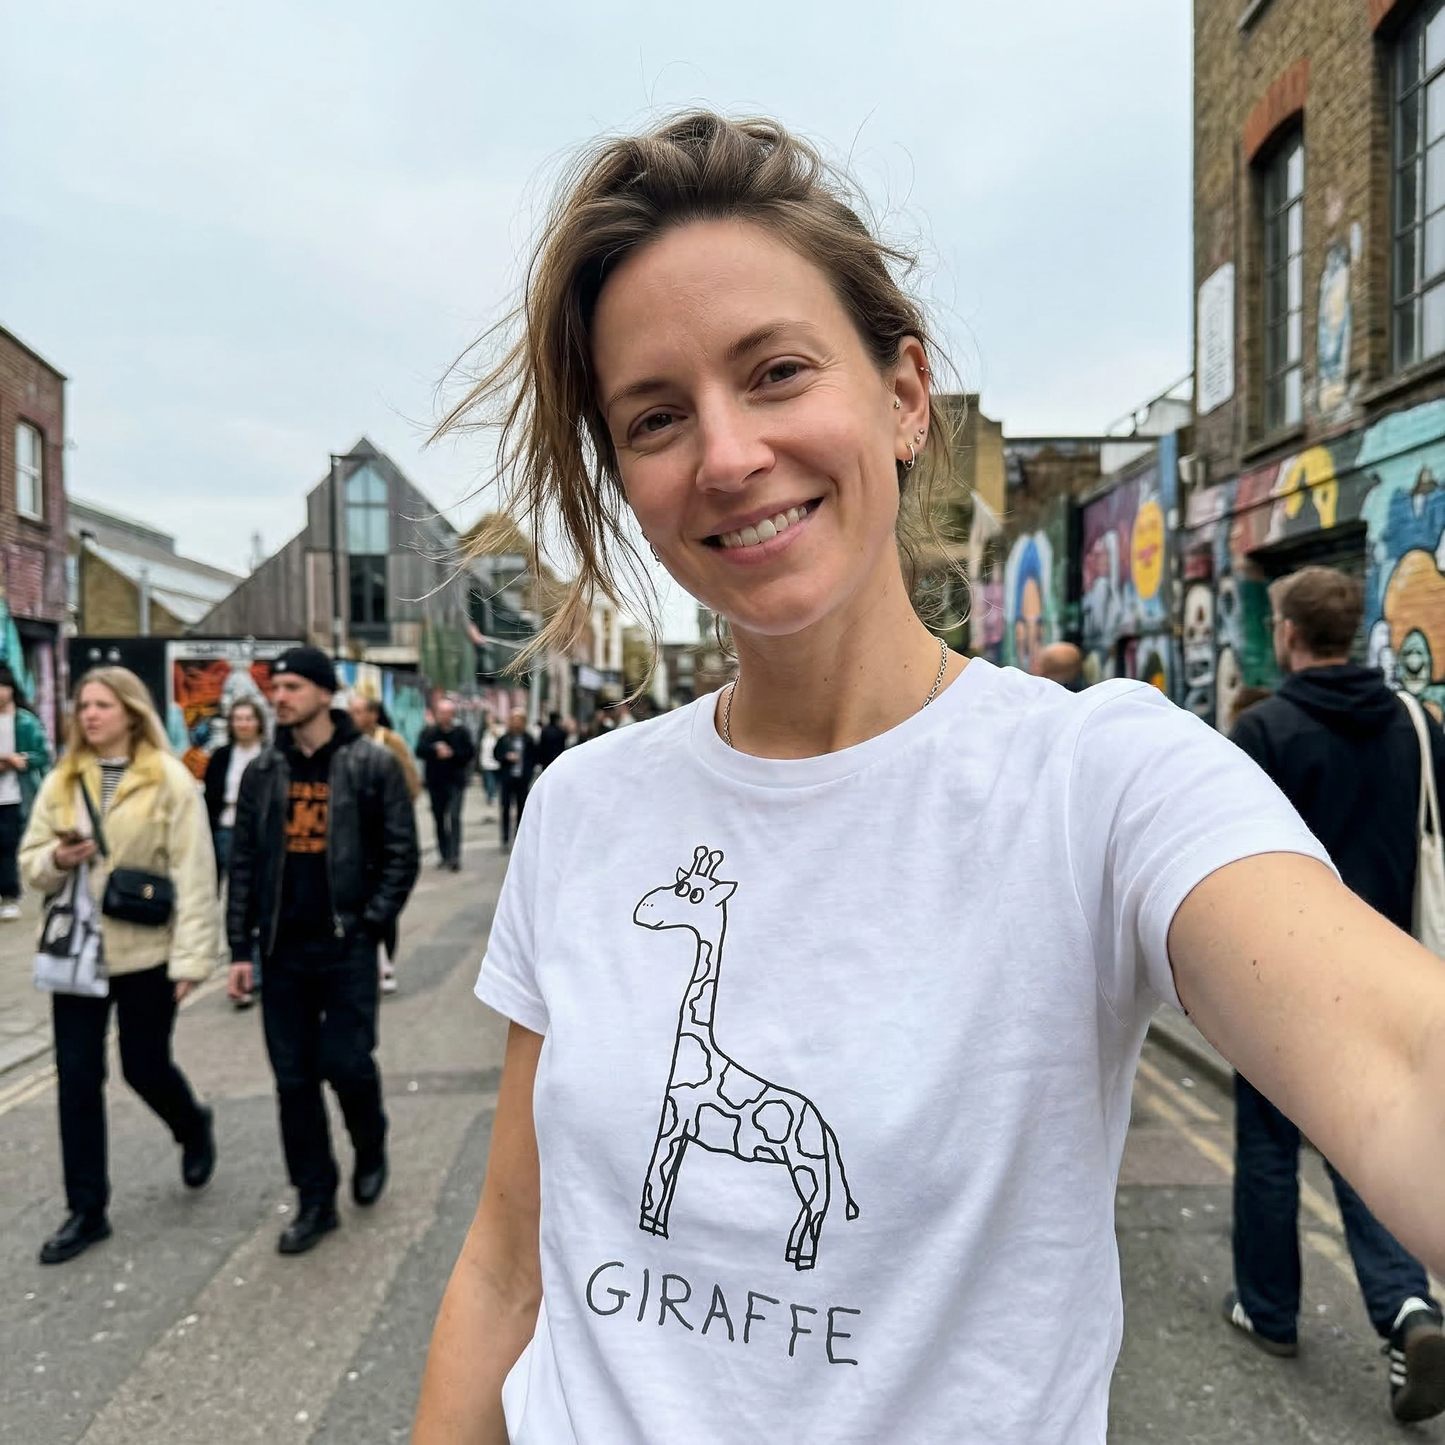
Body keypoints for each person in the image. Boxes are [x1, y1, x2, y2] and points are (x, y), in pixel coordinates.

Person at [413, 113, 1445, 1445]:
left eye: (775, 372)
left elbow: (1403, 1062)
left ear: (903, 394)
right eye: (656, 416)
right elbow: (509, 1261)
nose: (725, 455)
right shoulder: (579, 808)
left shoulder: (1096, 775)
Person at [1223, 566, 1445, 1414]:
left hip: (1283, 977)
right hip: (1391, 969)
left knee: (1271, 1147)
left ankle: (1268, 1309)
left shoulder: (1264, 730)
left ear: (1286, 632)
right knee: (1369, 1138)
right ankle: (1405, 1304)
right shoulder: (1414, 724)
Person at [21, 667, 218, 1266]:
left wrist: (192, 958)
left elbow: (194, 871)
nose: (90, 715)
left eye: (102, 704)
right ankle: (87, 1210)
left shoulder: (169, 779)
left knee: (144, 1065)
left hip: (145, 952)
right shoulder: (63, 779)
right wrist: (58, 856)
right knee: (77, 1081)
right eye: (83, 705)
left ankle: (193, 1125)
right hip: (77, 954)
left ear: (131, 711)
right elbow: (30, 864)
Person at [226, 647, 419, 1255]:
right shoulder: (263, 772)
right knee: (293, 1081)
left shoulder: (370, 765)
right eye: (274, 687)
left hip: (346, 947)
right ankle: (315, 1200)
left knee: (347, 1063)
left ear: (323, 693)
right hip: (282, 950)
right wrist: (239, 949)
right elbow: (246, 865)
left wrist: (371, 923)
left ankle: (370, 1141)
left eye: (291, 686)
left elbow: (400, 854)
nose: (278, 697)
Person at [348, 692, 421, 994]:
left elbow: (410, 782)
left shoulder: (389, 742)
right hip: (352, 839)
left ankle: (385, 962)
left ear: (372, 715)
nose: (352, 717)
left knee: (384, 901)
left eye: (358, 712)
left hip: (381, 837)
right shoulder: (343, 745)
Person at [204, 698, 267, 1009]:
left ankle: (257, 967)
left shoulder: (269, 756)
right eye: (237, 718)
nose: (243, 723)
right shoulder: (221, 757)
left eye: (248, 718)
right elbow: (210, 797)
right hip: (226, 832)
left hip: (262, 837)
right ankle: (242, 965)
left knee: (259, 899)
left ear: (258, 722)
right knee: (236, 902)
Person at [0, 662, 52, 922]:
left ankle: (10, 895)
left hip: (15, 794)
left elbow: (44, 755)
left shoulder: (26, 721)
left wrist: (23, 760)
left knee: (8, 845)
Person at [415, 697, 475, 872]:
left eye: (447, 713)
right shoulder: (429, 732)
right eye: (441, 713)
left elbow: (469, 753)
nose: (444, 716)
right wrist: (435, 750)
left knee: (454, 817)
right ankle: (444, 854)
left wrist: (452, 754)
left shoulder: (461, 732)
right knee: (439, 818)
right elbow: (419, 750)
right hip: (435, 782)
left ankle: (455, 855)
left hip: (455, 781)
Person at [490, 708, 535, 848]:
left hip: (522, 779)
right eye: (514, 720)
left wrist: (528, 770)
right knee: (505, 808)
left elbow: (534, 756)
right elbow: (496, 754)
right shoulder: (505, 738)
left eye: (519, 721)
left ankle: (519, 838)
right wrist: (506, 757)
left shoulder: (528, 739)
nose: (516, 724)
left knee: (522, 808)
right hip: (507, 779)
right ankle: (505, 838)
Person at [478, 715, 504, 812]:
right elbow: (483, 749)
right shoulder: (485, 734)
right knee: (489, 781)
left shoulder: (500, 732)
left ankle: (492, 796)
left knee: (493, 781)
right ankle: (490, 796)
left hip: (496, 763)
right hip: (487, 763)